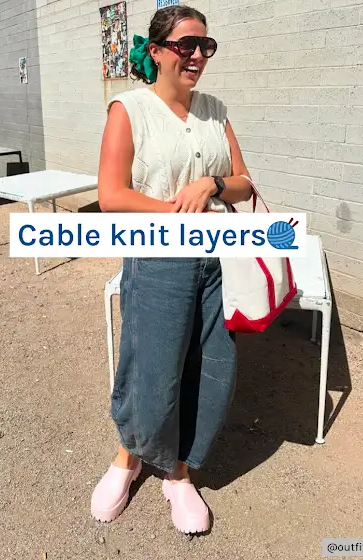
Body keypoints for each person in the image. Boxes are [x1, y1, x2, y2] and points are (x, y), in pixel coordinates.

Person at [91, 4, 253, 534]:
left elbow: (244, 183)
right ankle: (129, 456)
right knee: (152, 365)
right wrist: (176, 213)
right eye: (186, 45)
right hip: (157, 256)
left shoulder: (214, 110)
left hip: (215, 260)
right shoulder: (130, 109)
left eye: (206, 46)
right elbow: (112, 196)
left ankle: (178, 471)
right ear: (157, 51)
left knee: (208, 362)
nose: (197, 55)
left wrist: (211, 184)